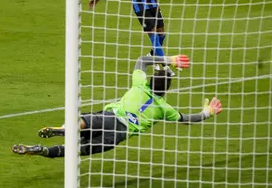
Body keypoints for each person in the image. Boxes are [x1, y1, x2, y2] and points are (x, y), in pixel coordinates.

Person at [12, 54, 222, 158]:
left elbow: (142, 60)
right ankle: (43, 151)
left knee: (84, 121)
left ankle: (65, 129)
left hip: (110, 116)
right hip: (119, 133)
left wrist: (169, 59)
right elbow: (186, 119)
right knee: (80, 150)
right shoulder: (164, 109)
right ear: (165, 91)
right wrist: (207, 112)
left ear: (150, 80)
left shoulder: (140, 84)